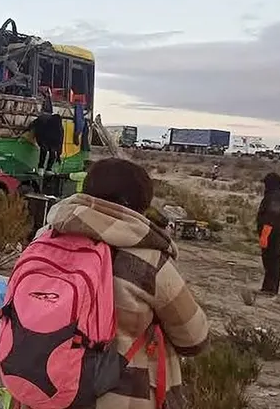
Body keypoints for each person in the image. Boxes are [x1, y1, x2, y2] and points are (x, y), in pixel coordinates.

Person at [45, 158, 209, 408]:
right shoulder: (147, 260)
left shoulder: (45, 241)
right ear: (138, 206)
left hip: (46, 387)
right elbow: (193, 338)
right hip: (120, 396)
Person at [256, 173, 280, 295]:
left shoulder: (274, 195)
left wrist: (264, 235)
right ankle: (269, 287)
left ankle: (270, 288)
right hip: (278, 229)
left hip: (272, 230)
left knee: (271, 258)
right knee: (274, 257)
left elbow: (271, 215)